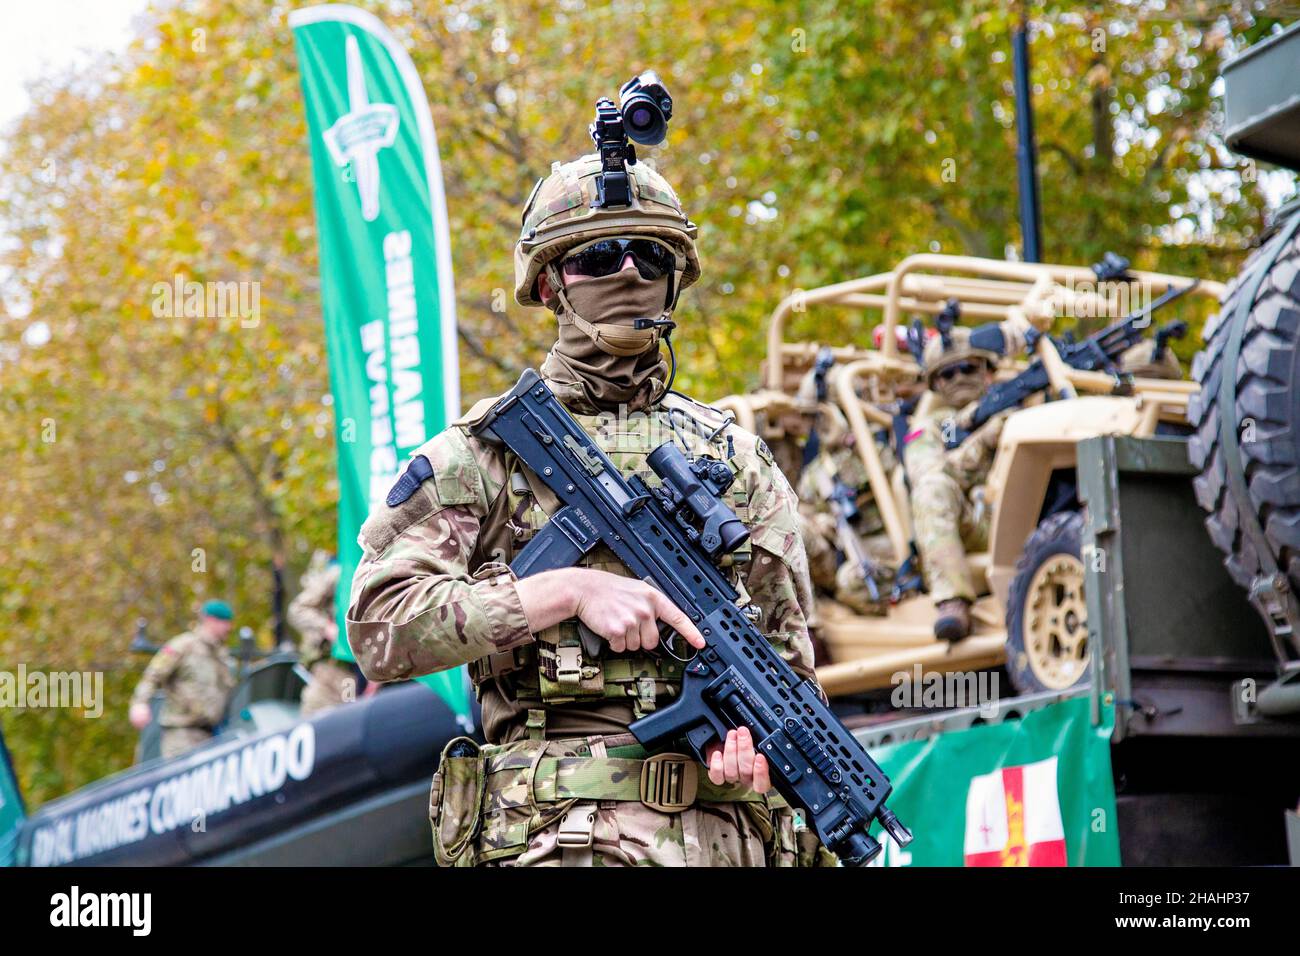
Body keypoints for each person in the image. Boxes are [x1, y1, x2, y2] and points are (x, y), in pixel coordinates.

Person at [347, 152, 832, 867]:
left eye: (649, 253)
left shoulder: (739, 460)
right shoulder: (479, 457)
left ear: (675, 275)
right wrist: (564, 591)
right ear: (548, 283)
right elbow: (380, 630)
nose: (629, 272)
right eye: (598, 256)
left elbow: (789, 667)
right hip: (562, 838)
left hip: (728, 843)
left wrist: (755, 746)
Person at [904, 328, 1007, 642]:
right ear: (936, 383)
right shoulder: (929, 428)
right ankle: (953, 601)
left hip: (1032, 516)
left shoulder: (1014, 408)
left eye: (968, 368)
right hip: (976, 526)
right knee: (933, 488)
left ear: (988, 372)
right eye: (947, 373)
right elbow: (928, 475)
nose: (959, 377)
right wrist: (982, 443)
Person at [129, 599, 237, 758]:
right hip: (182, 735)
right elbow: (152, 675)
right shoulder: (183, 645)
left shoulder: (222, 656)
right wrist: (139, 703)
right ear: (211, 621)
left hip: (213, 735)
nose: (229, 628)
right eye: (225, 622)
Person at [288, 550, 356, 716]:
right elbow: (298, 609)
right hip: (334, 671)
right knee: (318, 723)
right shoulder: (340, 574)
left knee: (349, 722)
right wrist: (327, 628)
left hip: (360, 676)